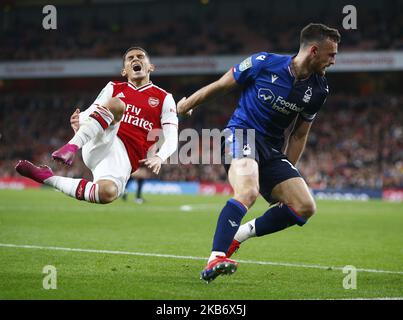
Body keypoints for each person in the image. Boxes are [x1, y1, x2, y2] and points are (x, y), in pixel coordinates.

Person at [177, 23, 340, 283]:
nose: (334, 60)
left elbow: (299, 134)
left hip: (272, 149)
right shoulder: (263, 62)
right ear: (313, 50)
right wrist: (185, 104)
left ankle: (237, 237)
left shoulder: (319, 89)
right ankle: (216, 257)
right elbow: (221, 86)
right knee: (248, 191)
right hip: (242, 134)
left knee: (304, 207)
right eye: (331, 54)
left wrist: (285, 176)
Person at [16, 47, 178, 204]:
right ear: (124, 71)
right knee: (116, 105)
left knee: (107, 193)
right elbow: (92, 110)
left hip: (123, 160)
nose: (135, 59)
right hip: (102, 138)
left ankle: (46, 177)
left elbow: (172, 137)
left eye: (140, 57)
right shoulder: (113, 87)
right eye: (130, 58)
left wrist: (160, 157)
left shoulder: (164, 98)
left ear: (151, 67)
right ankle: (71, 147)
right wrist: (81, 120)